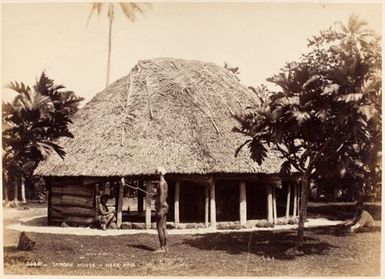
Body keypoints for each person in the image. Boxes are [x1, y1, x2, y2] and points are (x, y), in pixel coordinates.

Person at [153, 167, 169, 253]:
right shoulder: (165, 183)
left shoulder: (161, 183)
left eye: (156, 173)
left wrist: (159, 209)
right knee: (164, 227)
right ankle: (166, 247)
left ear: (159, 173)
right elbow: (161, 195)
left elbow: (162, 197)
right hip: (165, 207)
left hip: (161, 207)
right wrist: (155, 194)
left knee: (159, 227)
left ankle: (162, 248)